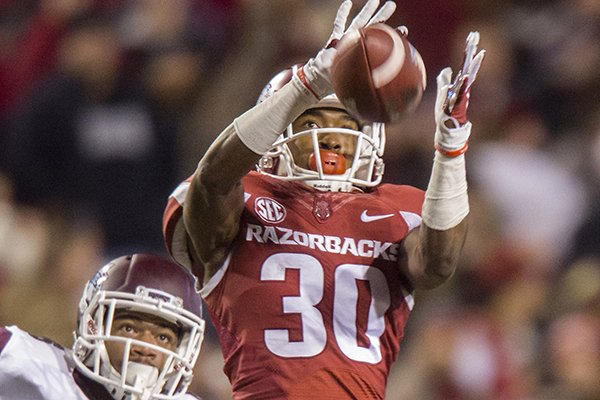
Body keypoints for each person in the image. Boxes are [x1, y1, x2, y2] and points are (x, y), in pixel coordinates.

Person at [162, 0, 485, 398]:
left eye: (347, 124)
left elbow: (439, 263)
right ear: (275, 132)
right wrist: (308, 82)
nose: (333, 137)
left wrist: (450, 150)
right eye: (312, 121)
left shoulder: (399, 207)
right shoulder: (245, 196)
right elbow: (213, 180)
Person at [0, 253, 206, 400]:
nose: (145, 347)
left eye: (162, 338)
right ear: (94, 326)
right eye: (129, 329)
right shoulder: (22, 361)